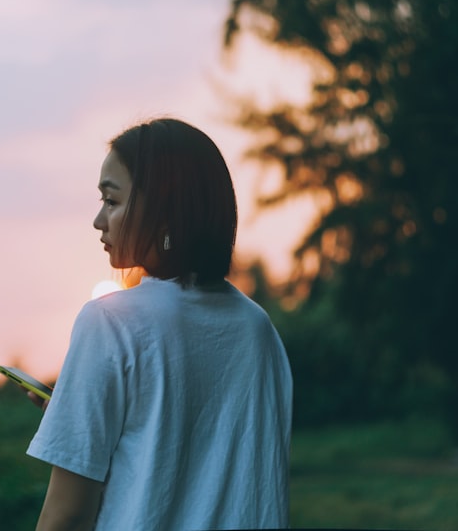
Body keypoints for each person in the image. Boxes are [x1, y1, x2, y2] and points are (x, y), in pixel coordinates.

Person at [25, 118, 293, 531]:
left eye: (112, 202)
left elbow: (68, 513)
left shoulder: (109, 323)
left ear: (164, 211)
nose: (99, 220)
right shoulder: (256, 329)